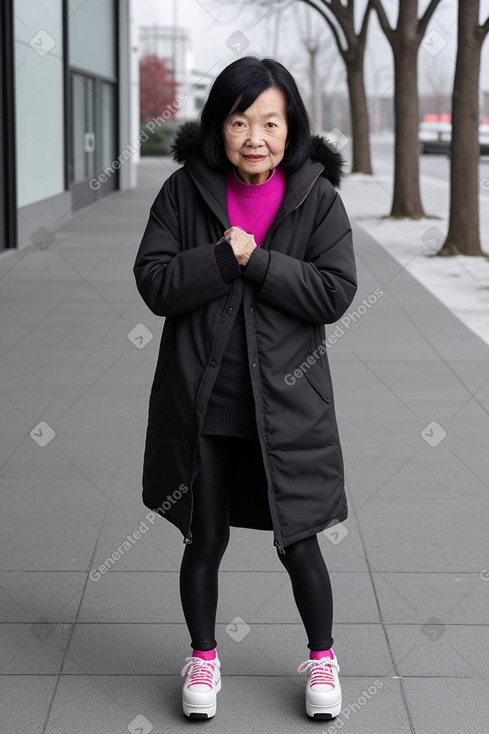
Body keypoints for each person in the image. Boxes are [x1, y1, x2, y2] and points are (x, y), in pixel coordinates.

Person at [133, 55, 357, 721]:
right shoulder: (183, 193)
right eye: (238, 121)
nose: (254, 137)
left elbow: (334, 293)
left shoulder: (317, 197)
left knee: (299, 539)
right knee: (203, 538)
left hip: (284, 408)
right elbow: (154, 281)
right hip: (200, 405)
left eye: (269, 121)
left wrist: (254, 261)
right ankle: (202, 657)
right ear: (217, 126)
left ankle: (322, 659)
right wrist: (215, 258)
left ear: (290, 127)